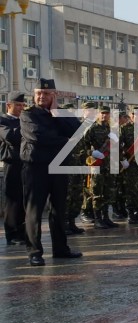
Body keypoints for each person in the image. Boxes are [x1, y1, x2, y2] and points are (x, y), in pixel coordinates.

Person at [19, 79, 83, 266]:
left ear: (53, 95)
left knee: (59, 210)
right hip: (35, 167)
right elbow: (37, 136)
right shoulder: (27, 114)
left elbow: (77, 131)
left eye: (46, 94)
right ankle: (35, 252)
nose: (42, 96)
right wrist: (65, 141)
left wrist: (57, 113)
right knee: (34, 210)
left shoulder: (61, 113)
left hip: (58, 166)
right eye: (39, 93)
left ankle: (61, 249)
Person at [83, 106, 120, 229]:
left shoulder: (112, 129)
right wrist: (91, 153)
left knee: (108, 192)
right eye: (102, 113)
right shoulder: (93, 128)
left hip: (109, 164)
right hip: (97, 163)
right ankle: (97, 219)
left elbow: (116, 147)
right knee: (97, 192)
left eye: (107, 113)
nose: (104, 116)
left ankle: (106, 217)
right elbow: (83, 145)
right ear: (99, 114)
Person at [61, 102, 94, 235]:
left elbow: (84, 146)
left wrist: (89, 154)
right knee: (66, 196)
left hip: (79, 166)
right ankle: (63, 224)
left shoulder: (78, 128)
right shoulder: (61, 129)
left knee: (77, 195)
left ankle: (72, 221)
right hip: (67, 167)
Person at [0, 93, 28, 245]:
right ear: (8, 105)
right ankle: (12, 234)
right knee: (12, 200)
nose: (21, 108)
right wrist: (26, 129)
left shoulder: (23, 120)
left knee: (24, 199)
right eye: (18, 105)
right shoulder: (3, 120)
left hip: (26, 162)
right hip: (12, 162)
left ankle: (22, 232)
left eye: (23, 105)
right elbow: (11, 137)